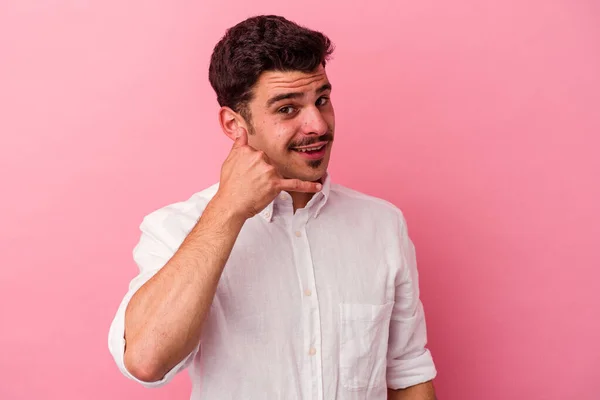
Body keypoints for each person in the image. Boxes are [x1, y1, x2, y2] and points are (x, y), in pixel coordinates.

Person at [108, 14, 437, 400]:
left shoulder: (382, 224)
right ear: (234, 125)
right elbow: (147, 361)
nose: (317, 124)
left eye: (322, 100)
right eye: (287, 109)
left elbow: (407, 371)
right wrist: (227, 210)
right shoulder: (175, 228)